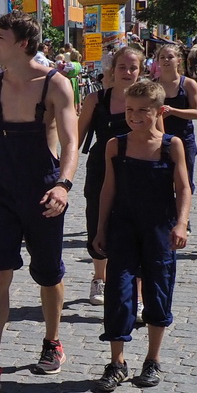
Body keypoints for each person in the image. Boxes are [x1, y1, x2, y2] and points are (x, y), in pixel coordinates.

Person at [0, 13, 79, 392]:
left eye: (0, 37)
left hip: (43, 191)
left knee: (48, 273)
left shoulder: (56, 85)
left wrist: (63, 185)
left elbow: (71, 142)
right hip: (1, 193)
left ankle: (52, 342)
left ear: (23, 43)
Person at [92, 79, 191, 392]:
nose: (134, 116)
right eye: (130, 109)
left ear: (159, 111)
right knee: (119, 292)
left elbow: (183, 188)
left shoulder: (171, 145)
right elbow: (108, 189)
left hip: (159, 228)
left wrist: (181, 223)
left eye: (143, 110)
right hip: (123, 227)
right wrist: (100, 228)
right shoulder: (116, 145)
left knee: (158, 289)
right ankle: (117, 362)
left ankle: (152, 359)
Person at [75, 44, 145, 305]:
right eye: (122, 67)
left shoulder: (147, 99)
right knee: (97, 222)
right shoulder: (96, 100)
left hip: (137, 170)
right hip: (101, 169)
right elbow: (76, 138)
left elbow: (159, 138)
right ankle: (99, 278)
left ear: (140, 71)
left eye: (133, 68)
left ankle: (137, 293)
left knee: (137, 229)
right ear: (112, 70)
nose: (127, 72)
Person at [154, 44, 197, 193]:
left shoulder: (188, 84)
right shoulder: (153, 85)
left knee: (185, 182)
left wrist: (173, 111)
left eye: (170, 57)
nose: (166, 60)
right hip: (160, 139)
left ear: (179, 60)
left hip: (184, 138)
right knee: (161, 183)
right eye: (162, 57)